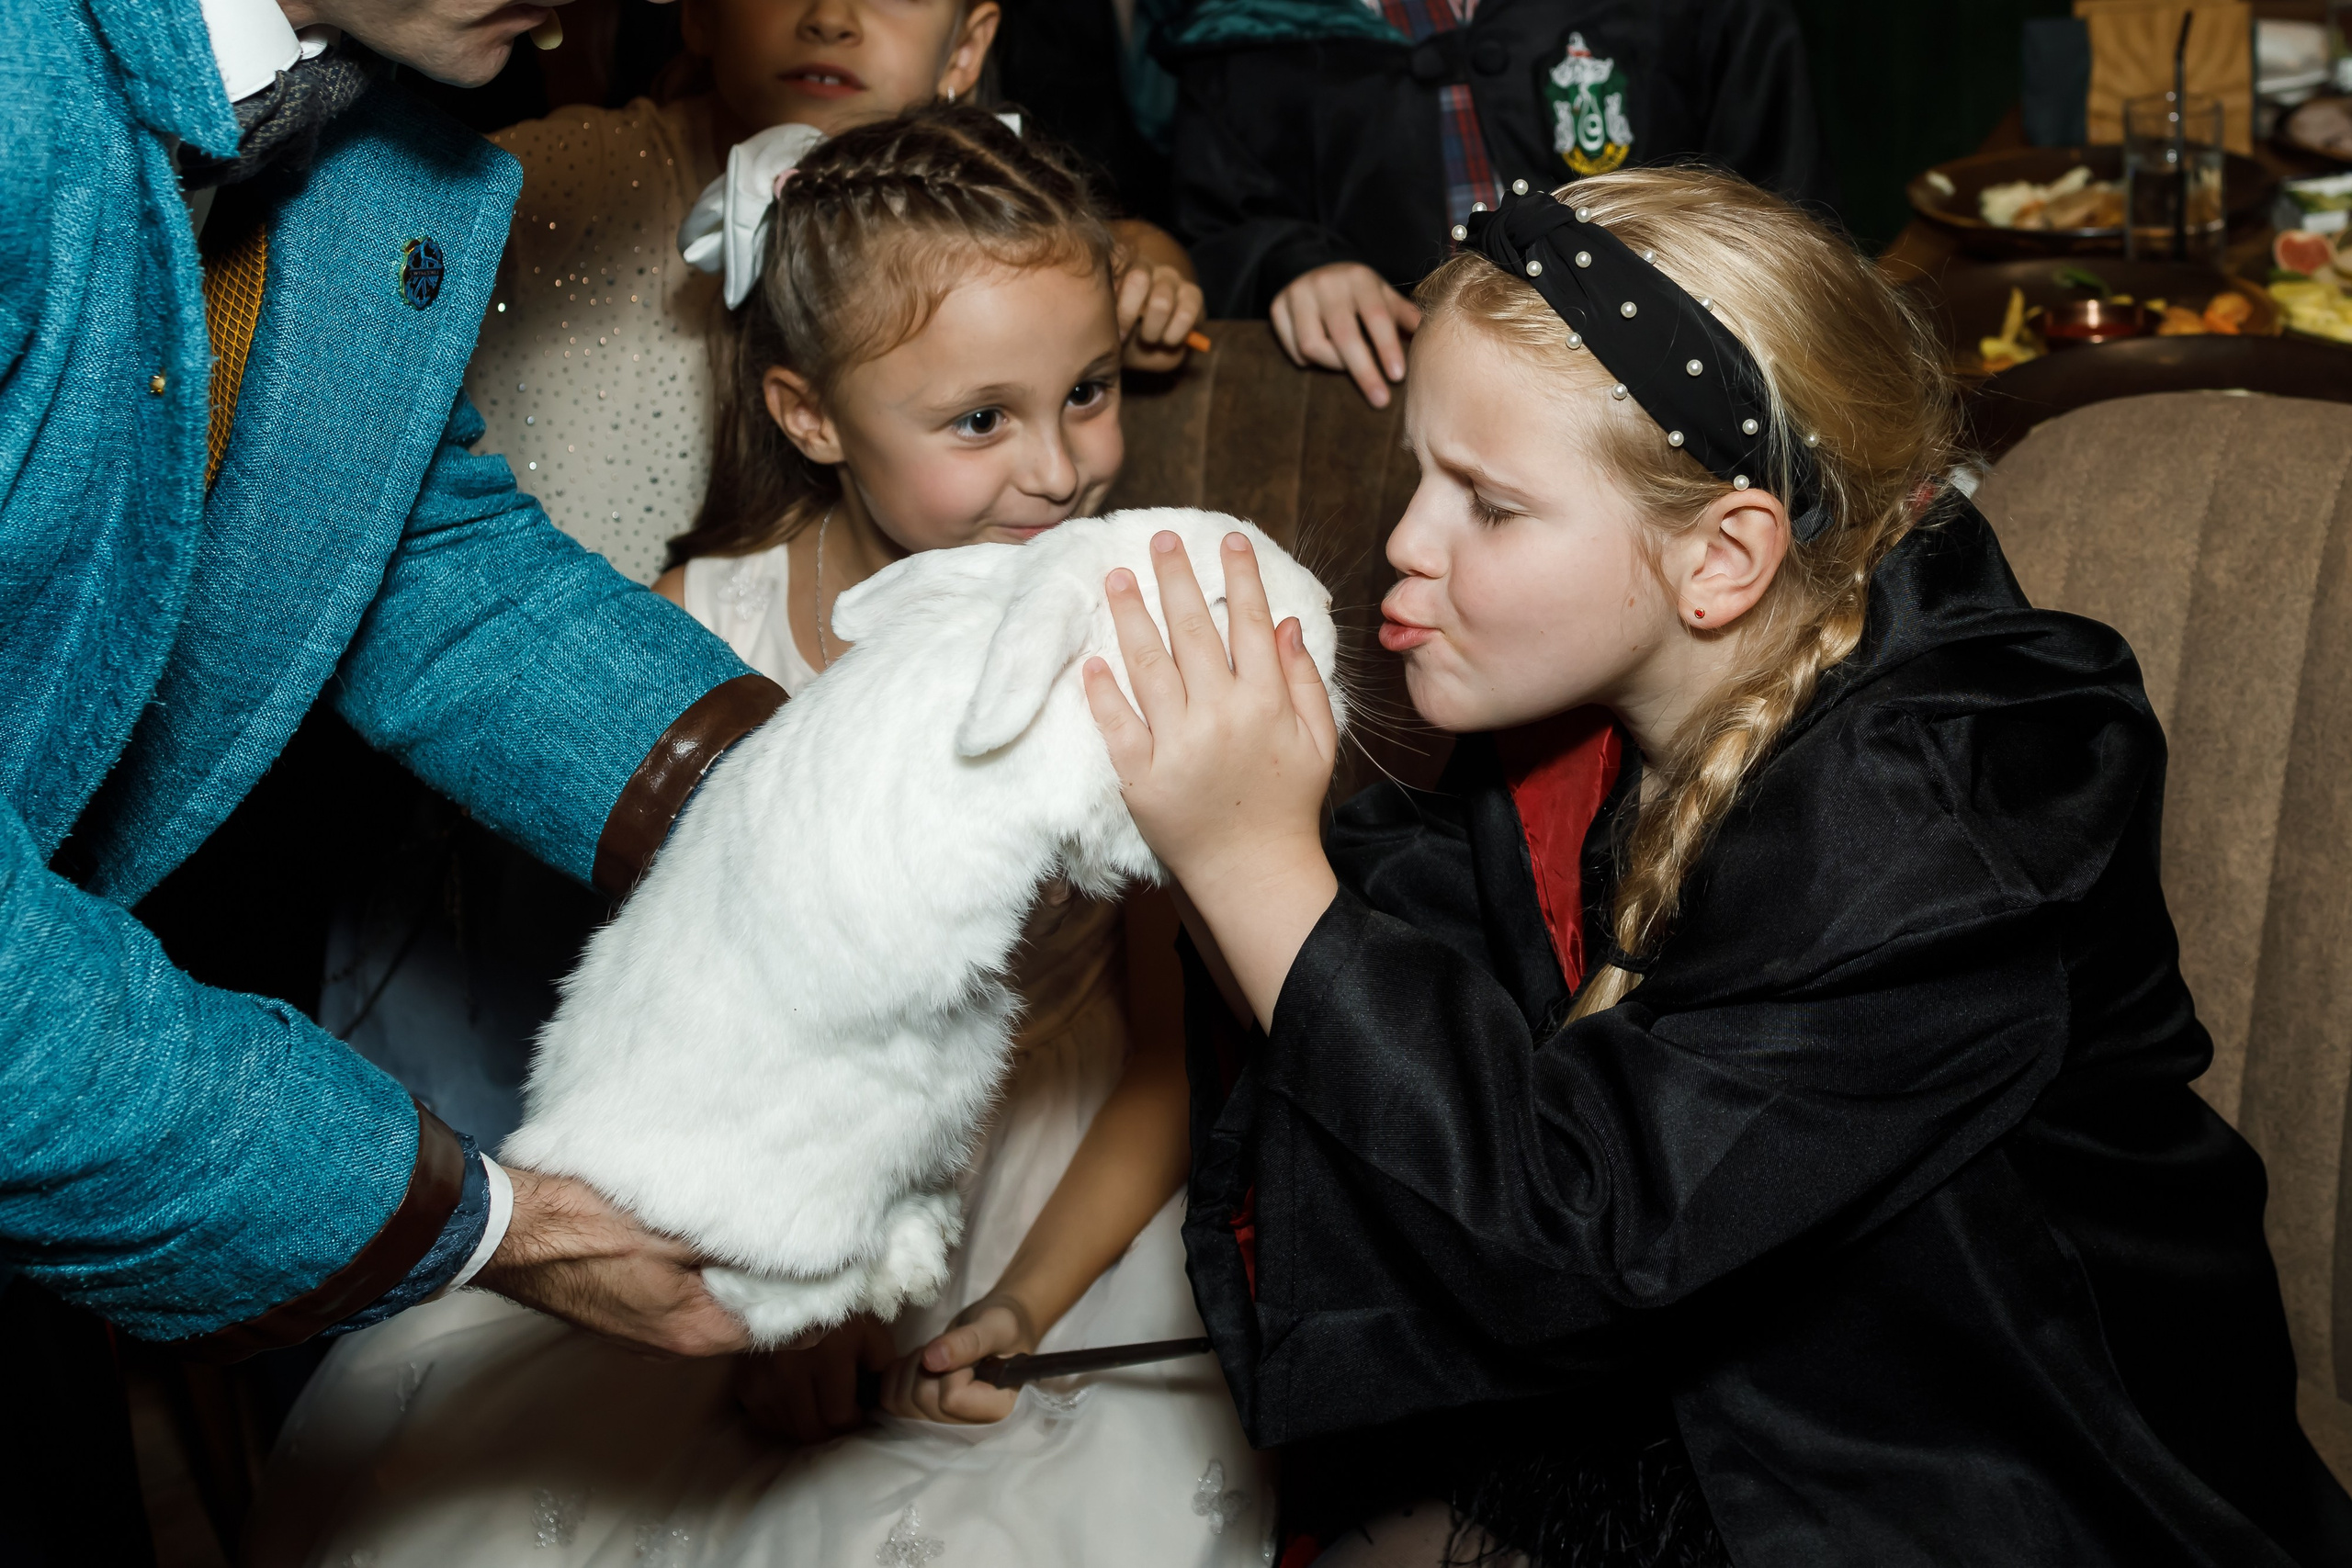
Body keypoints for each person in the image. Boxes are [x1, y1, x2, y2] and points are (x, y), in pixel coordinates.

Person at [1080, 169, 2352, 1564]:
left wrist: (1250, 862)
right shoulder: (1597, 703)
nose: (1403, 546)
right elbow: (1408, 962)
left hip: (1989, 1459)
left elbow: (1588, 1226)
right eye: (1420, 474)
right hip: (1712, 1395)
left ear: (1727, 552)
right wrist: (1217, 830)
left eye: (1489, 507)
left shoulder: (1947, 805)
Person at [244, 107, 1272, 1568]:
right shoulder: (687, 638)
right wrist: (776, 1296)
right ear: (808, 415)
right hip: (744, 1196)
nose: (1061, 471)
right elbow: (665, 1019)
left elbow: (1169, 1060)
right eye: (981, 418)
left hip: (1055, 1202)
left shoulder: (1126, 646)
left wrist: (1021, 1305)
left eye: (1090, 390)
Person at [464, 0, 1204, 584]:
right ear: (697, 11)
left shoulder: (1035, 246)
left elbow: (1109, 259)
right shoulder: (536, 180)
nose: (831, 15)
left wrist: (1151, 265)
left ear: (968, 47)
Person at [1161, 0, 1830, 409]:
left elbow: (1777, 196)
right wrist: (1291, 264)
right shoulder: (1244, 29)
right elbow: (1216, 221)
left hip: (1670, 392)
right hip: (1395, 412)